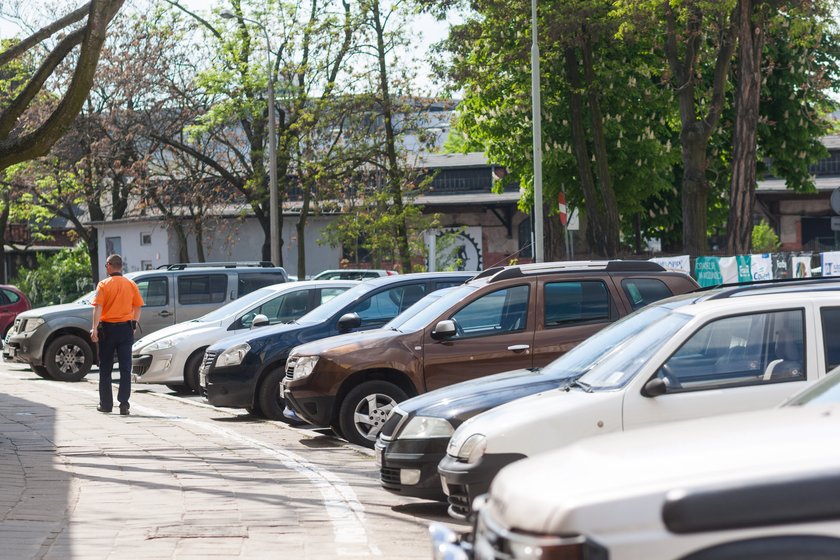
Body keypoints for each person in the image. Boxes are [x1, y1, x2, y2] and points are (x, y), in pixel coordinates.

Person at [91, 254, 144, 415]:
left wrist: (94, 328)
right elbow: (138, 307)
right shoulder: (131, 284)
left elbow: (98, 308)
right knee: (125, 368)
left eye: (106, 265)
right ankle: (124, 404)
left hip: (107, 330)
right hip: (125, 330)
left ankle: (106, 404)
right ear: (121, 266)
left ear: (109, 265)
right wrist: (133, 324)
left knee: (105, 367)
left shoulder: (103, 285)